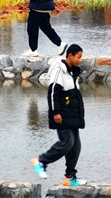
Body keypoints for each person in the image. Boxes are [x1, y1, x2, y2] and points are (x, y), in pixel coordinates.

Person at [31, 43, 86, 186]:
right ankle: (41, 161)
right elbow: (53, 92)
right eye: (78, 57)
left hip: (72, 114)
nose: (80, 60)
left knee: (76, 146)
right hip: (62, 114)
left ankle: (70, 177)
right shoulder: (59, 70)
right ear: (70, 55)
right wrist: (55, 112)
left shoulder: (72, 72)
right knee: (67, 142)